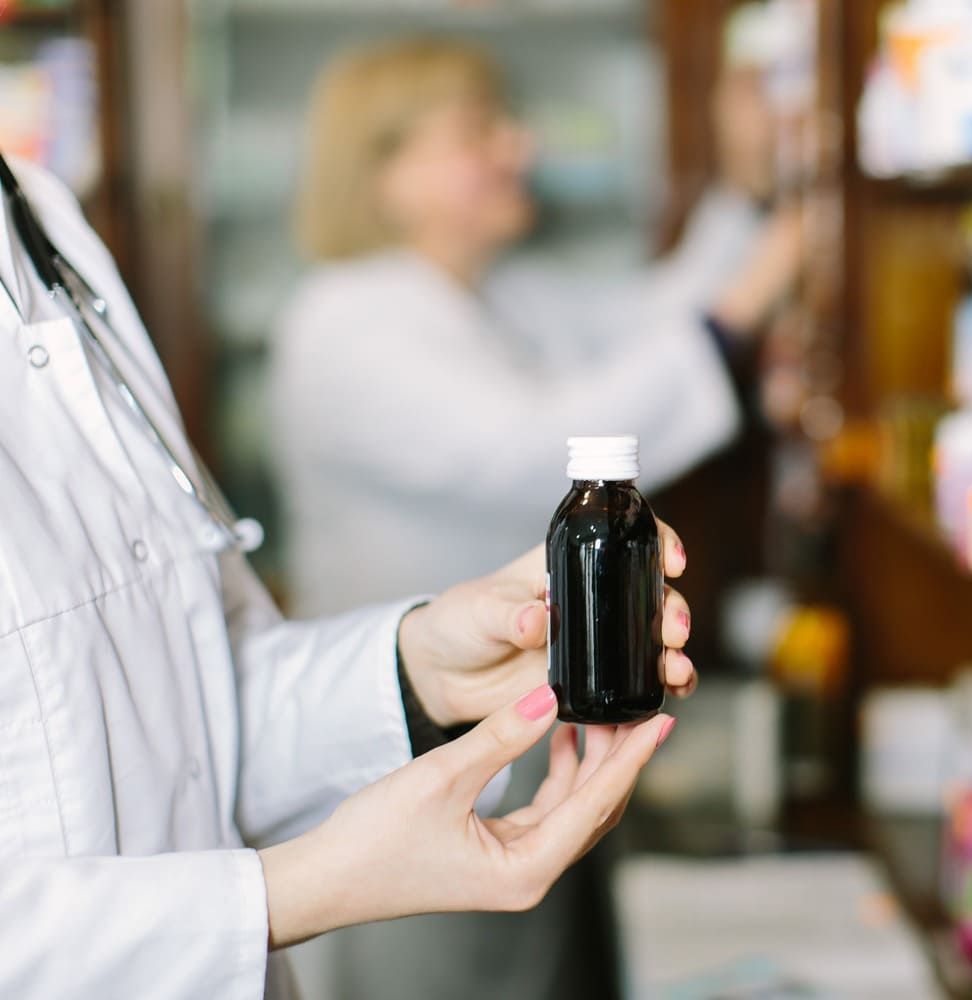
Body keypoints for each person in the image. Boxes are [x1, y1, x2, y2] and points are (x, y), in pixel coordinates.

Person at [0, 151, 696, 998]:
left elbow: (182, 721)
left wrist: (418, 673)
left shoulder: (43, 223)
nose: (515, 146)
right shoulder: (353, 316)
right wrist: (296, 889)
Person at [269, 36, 803, 616]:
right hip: (409, 697)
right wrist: (748, 298)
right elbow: (531, 451)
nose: (521, 146)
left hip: (503, 672)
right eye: (478, 133)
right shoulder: (346, 323)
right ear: (387, 176)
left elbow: (654, 317)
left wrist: (748, 187)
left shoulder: (497, 289)